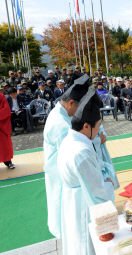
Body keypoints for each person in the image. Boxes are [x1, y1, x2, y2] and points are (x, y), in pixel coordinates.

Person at [58, 88, 115, 255]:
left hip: (73, 198)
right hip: (84, 202)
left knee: (77, 241)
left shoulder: (71, 139)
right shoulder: (81, 152)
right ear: (85, 126)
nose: (99, 132)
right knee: (87, 244)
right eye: (98, 127)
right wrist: (109, 184)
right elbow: (97, 193)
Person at [43, 75, 90, 239]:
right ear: (71, 103)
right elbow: (74, 149)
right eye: (79, 107)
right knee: (63, 209)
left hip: (61, 171)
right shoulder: (59, 123)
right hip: (61, 174)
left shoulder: (61, 113)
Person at [0, 91, 15, 169]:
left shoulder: (1, 96)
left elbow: (6, 110)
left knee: (4, 145)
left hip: (1, 125)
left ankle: (8, 162)